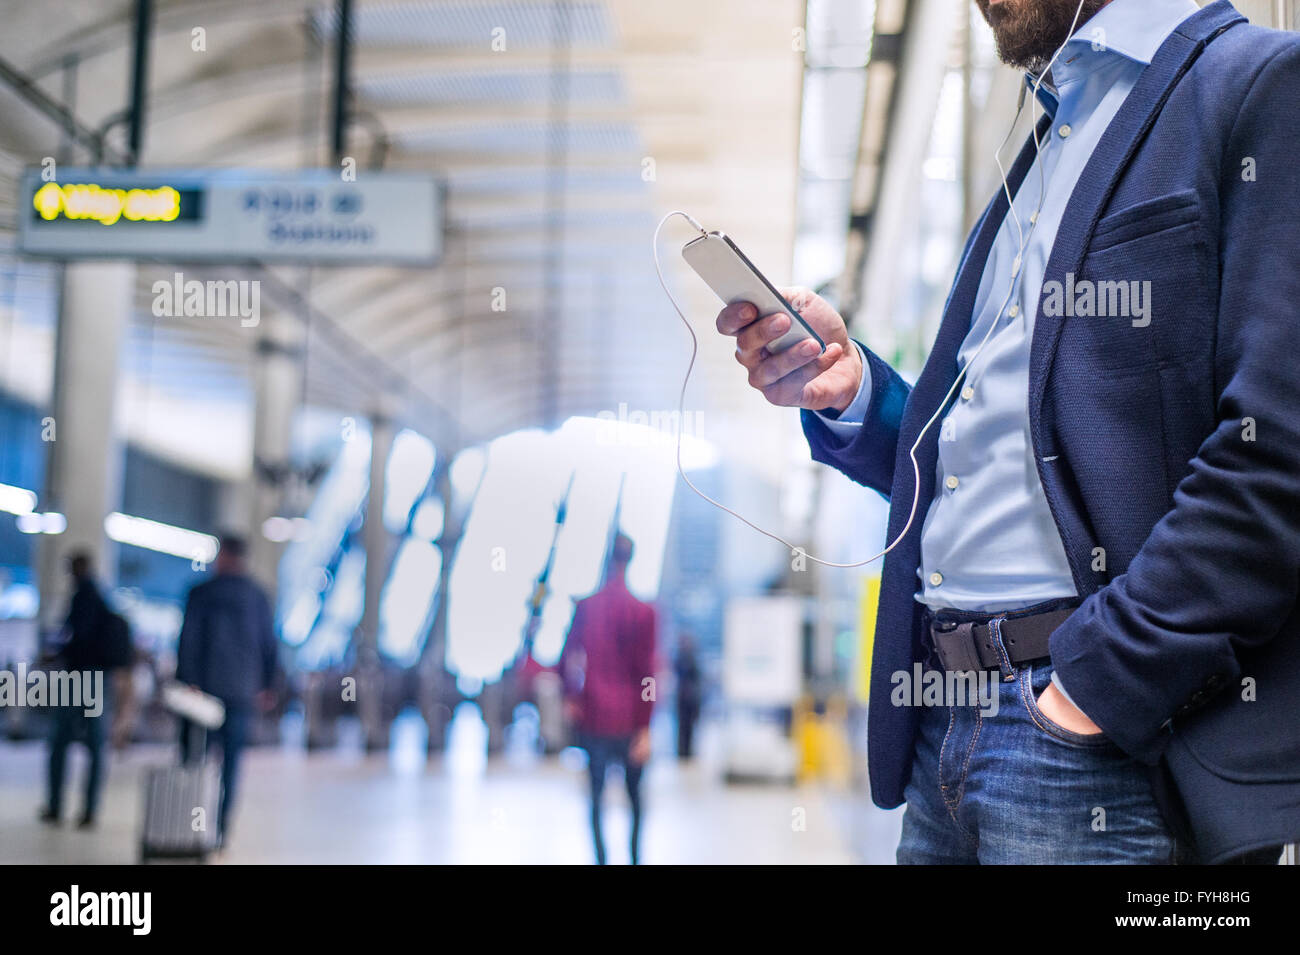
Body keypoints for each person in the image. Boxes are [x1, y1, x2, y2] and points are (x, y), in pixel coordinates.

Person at [715, 0, 1299, 863]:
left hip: (1095, 748)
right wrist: (857, 394)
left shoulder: (1253, 85)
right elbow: (988, 453)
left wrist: (1096, 688)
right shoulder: (1050, 138)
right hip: (945, 736)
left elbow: (1275, 452)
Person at [175, 534, 278, 848]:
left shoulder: (201, 593)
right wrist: (267, 684)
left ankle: (192, 826)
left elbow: (188, 639)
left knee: (194, 760)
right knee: (231, 765)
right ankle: (219, 831)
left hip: (202, 693)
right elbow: (269, 644)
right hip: (242, 692)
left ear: (223, 557)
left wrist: (187, 679)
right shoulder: (258, 596)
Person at [560, 533, 657, 864]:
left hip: (595, 717)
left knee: (596, 798)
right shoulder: (644, 613)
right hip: (630, 720)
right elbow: (647, 676)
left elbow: (566, 658)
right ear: (630, 560)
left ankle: (601, 859)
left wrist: (571, 696)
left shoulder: (586, 607)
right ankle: (634, 858)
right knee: (635, 800)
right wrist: (645, 726)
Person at [40, 551, 111, 828]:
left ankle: (57, 806)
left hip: (79, 677)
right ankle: (89, 810)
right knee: (93, 745)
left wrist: (56, 654)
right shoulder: (98, 596)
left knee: (60, 741)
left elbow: (78, 638)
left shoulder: (84, 596)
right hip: (94, 677)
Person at [673, 633, 702, 759]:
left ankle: (687, 751)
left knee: (688, 727)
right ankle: (682, 751)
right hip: (684, 698)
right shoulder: (681, 657)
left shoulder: (692, 657)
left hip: (690, 698)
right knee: (683, 727)